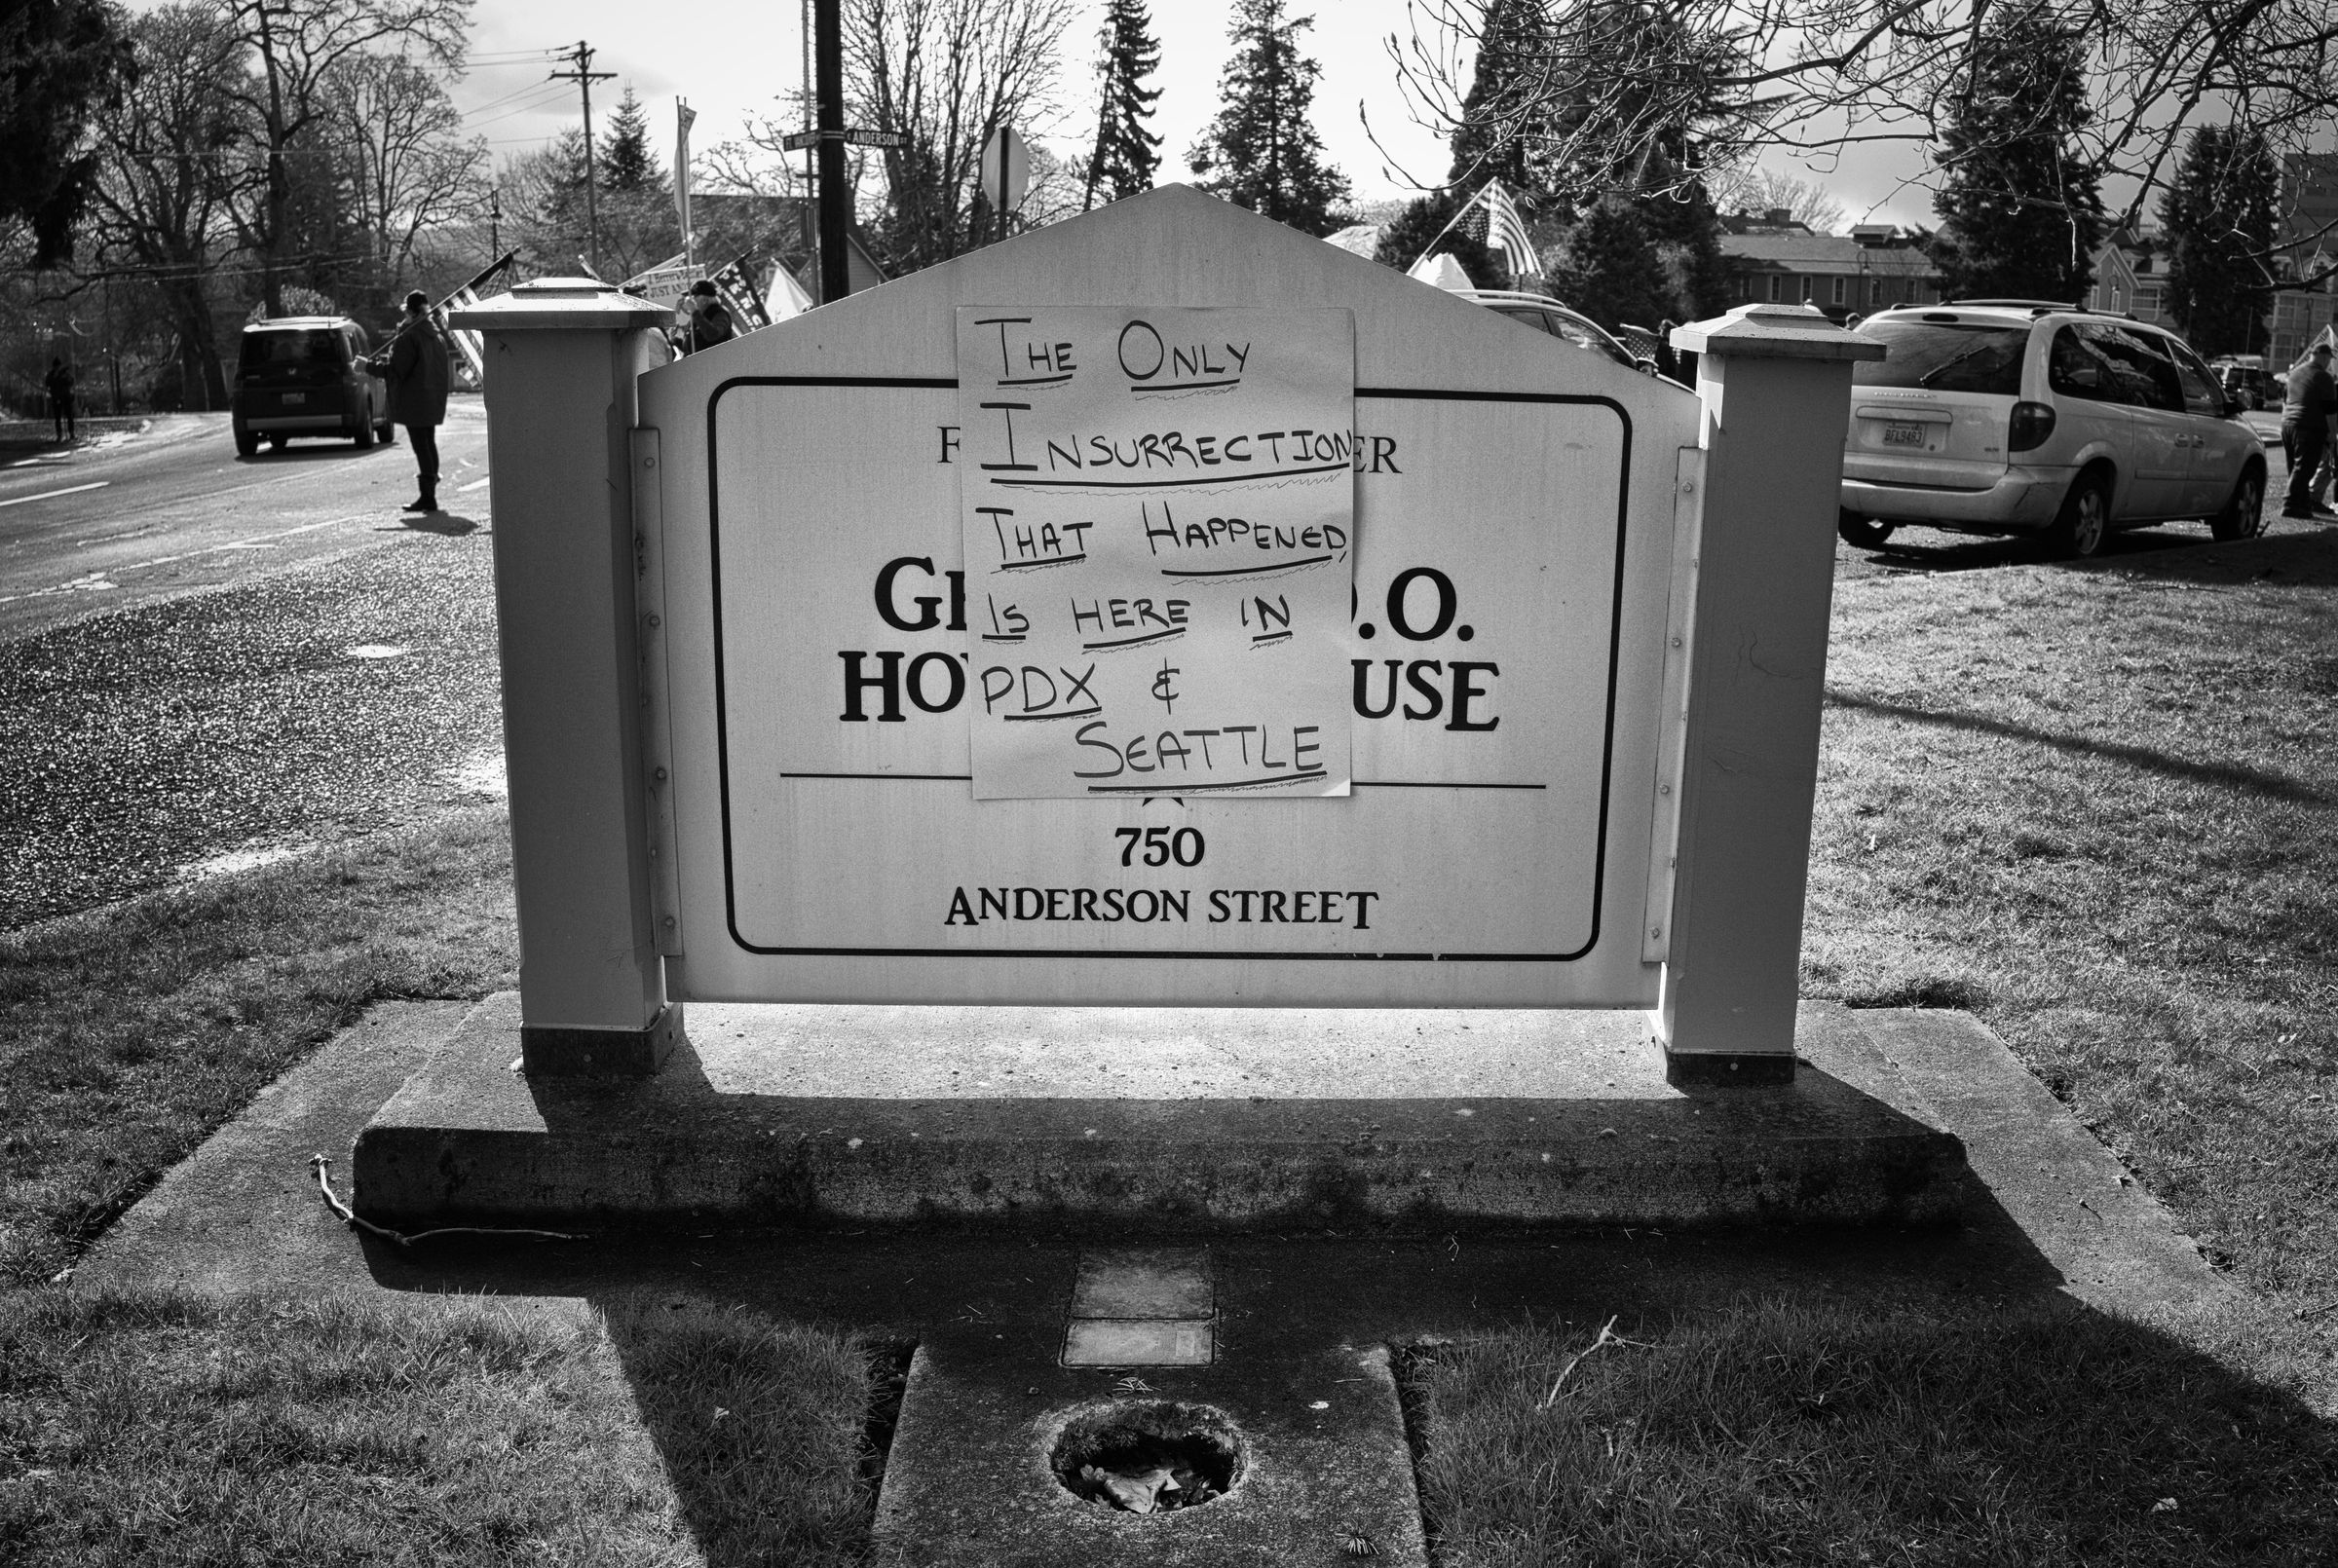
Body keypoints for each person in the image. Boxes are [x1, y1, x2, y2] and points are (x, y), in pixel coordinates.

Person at [369, 290, 451, 512]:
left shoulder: (409, 335)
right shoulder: (436, 335)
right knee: (428, 442)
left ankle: (428, 496)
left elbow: (396, 371)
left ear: (411, 311)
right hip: (432, 397)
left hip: (415, 399)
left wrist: (367, 366)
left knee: (421, 446)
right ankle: (430, 488)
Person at [2280, 341, 2337, 520]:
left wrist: (2286, 419)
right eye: (2329, 359)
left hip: (2288, 424)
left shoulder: (2294, 373)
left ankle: (2302, 505)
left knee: (2295, 467)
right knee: (2305, 468)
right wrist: (2333, 435)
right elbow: (2330, 410)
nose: (2329, 363)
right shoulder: (2323, 377)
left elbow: (2285, 400)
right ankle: (2289, 505)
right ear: (2323, 356)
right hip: (2309, 427)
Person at [676, 279, 735, 355]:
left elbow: (713, 334)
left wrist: (694, 311)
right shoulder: (699, 316)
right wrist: (675, 340)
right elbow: (694, 348)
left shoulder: (720, 314)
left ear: (705, 300)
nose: (690, 301)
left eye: (693, 297)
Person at [44, 356, 76, 443]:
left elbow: (71, 381)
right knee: (57, 417)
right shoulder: (51, 375)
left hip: (66, 397)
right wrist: (55, 377)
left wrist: (64, 377)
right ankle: (59, 434)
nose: (57, 368)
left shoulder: (65, 374)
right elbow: (48, 383)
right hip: (56, 397)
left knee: (69, 416)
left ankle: (71, 433)